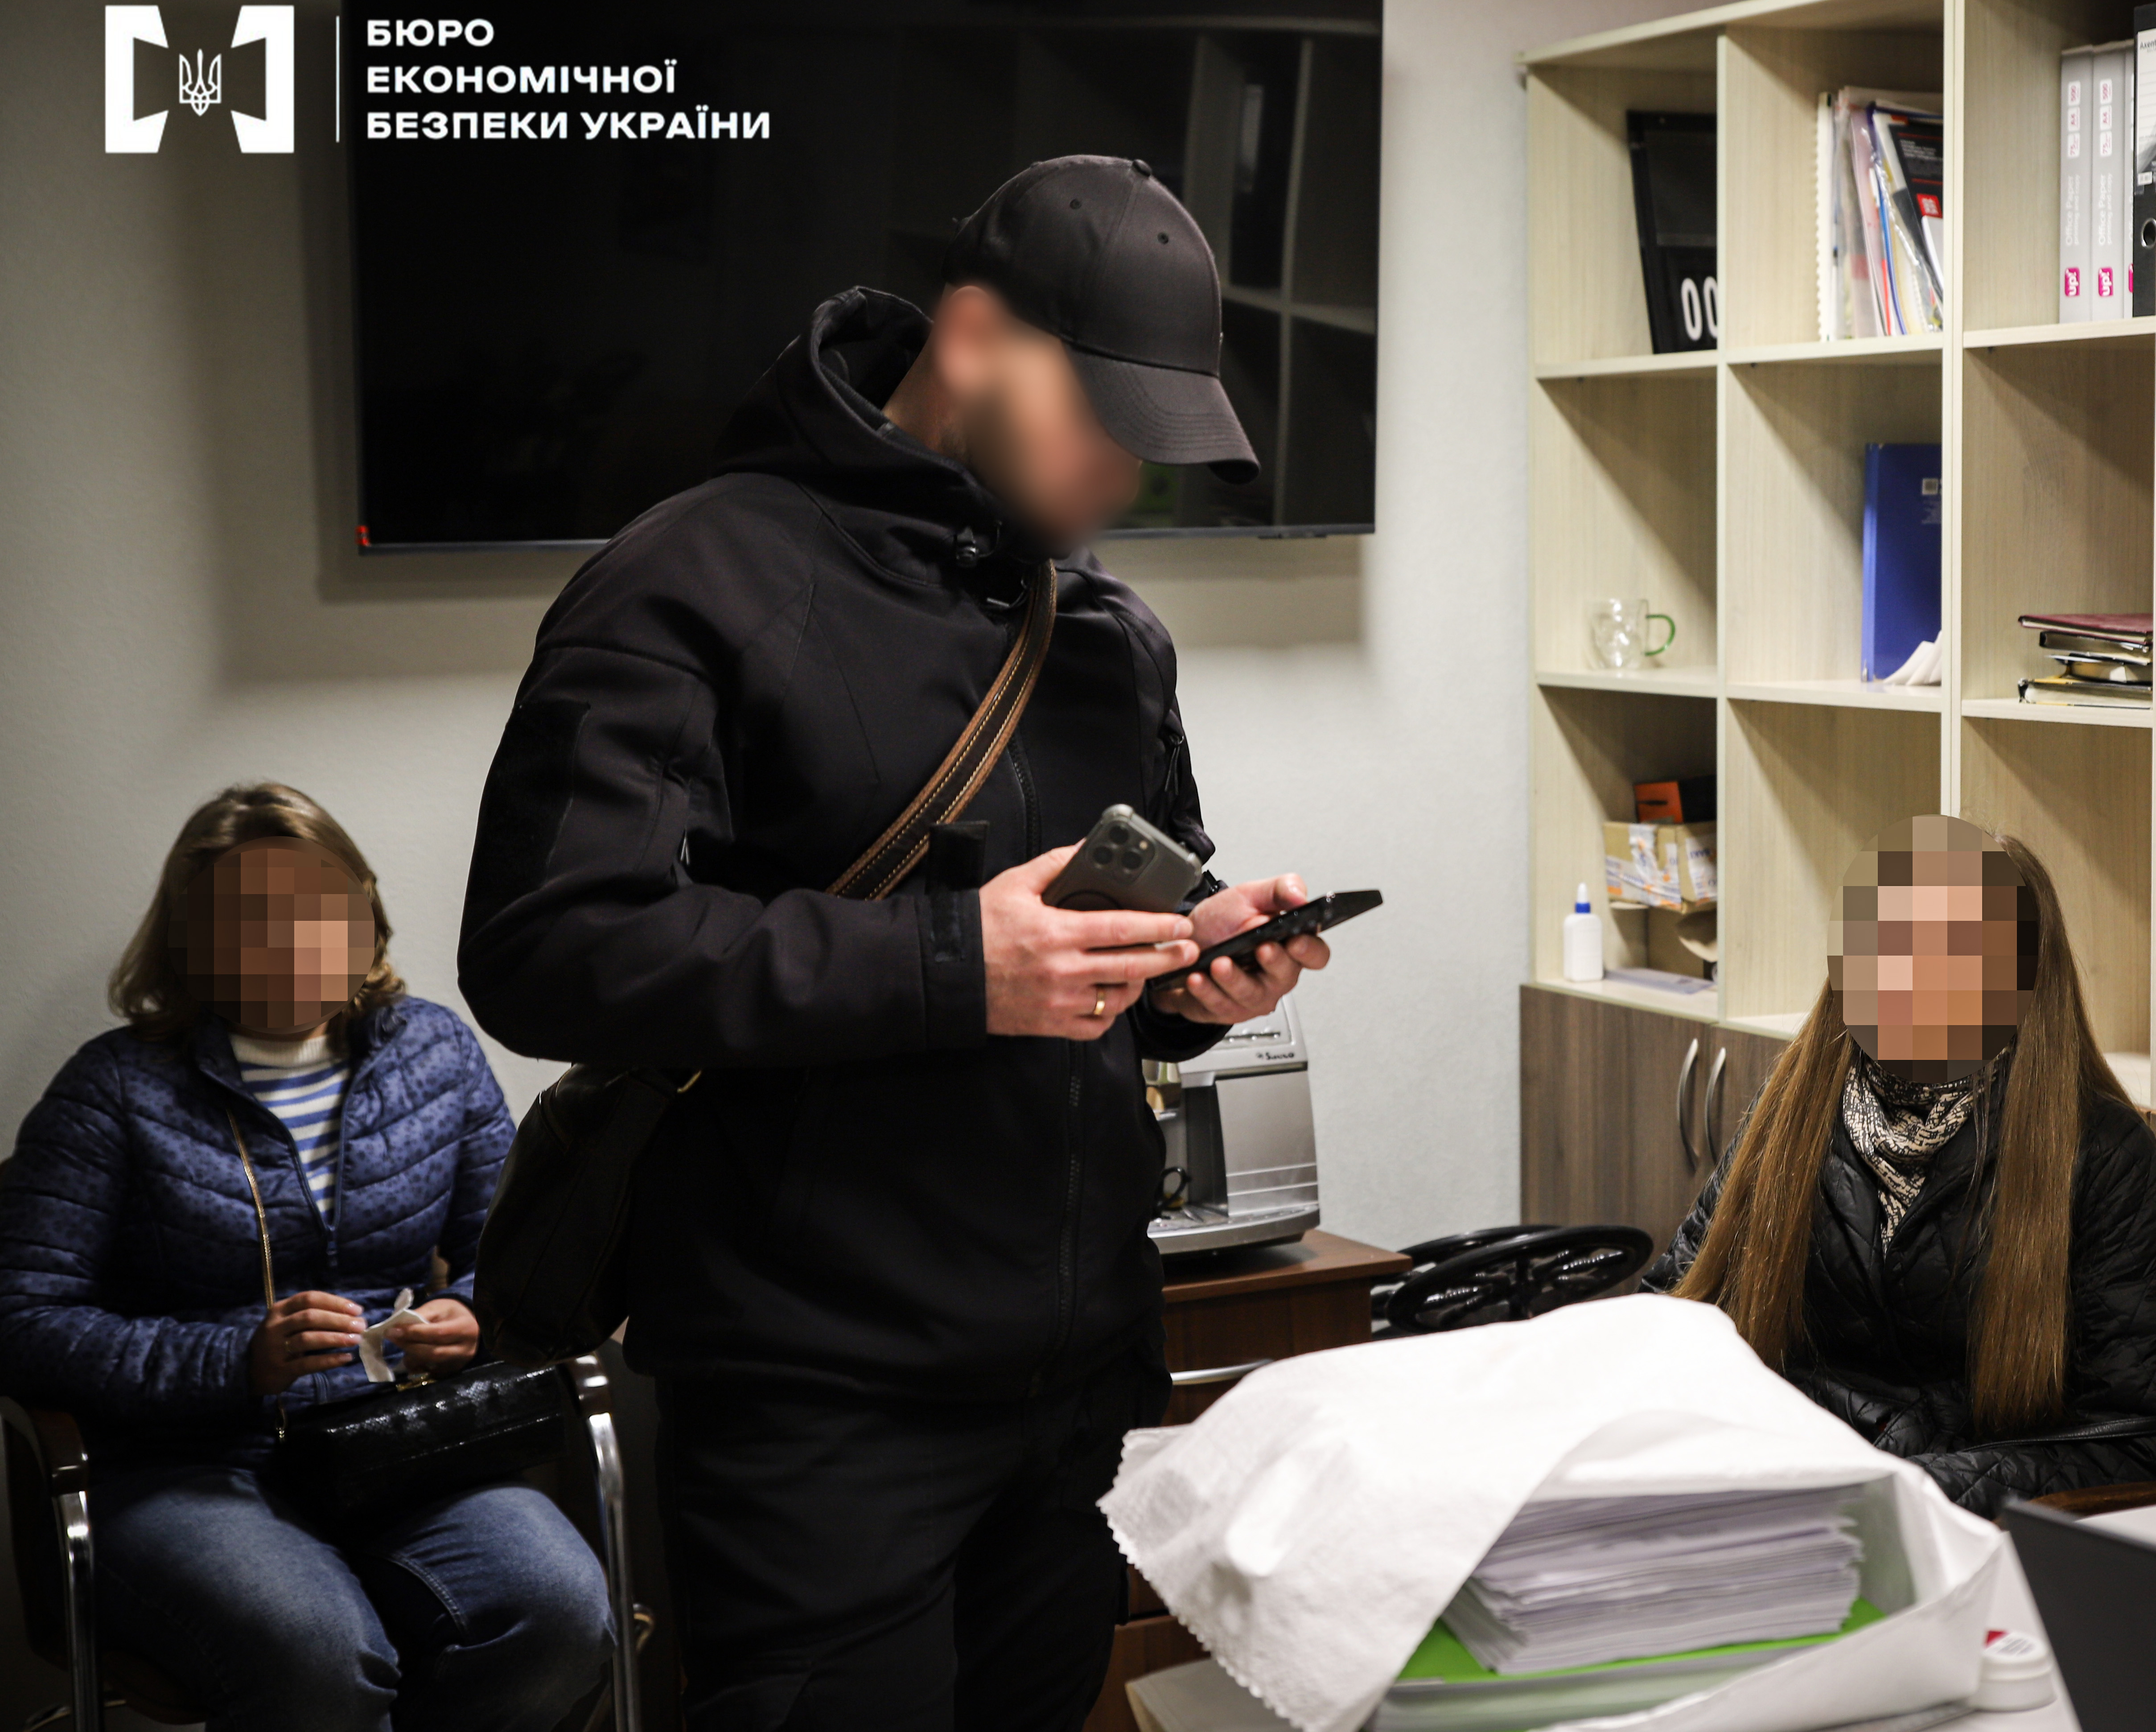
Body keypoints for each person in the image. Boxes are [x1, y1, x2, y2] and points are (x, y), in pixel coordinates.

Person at [458, 155, 1331, 1730]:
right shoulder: (685, 579)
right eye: (1108, 416)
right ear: (978, 336)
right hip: (818, 1424)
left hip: (1074, 1406)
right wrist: (951, 963)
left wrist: (1195, 979)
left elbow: (1105, 973)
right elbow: (544, 944)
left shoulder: (1112, 638)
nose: (1129, 472)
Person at [0, 782, 613, 1732]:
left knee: (558, 1612)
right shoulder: (114, 1089)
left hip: (399, 1444)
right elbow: (23, 1319)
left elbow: (514, 1256)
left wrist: (478, 1317)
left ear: (364, 909)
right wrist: (238, 1359)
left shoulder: (435, 1055)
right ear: (189, 939)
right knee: (318, 1653)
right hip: (184, 1468)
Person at [1646, 820, 2156, 1519]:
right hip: (1782, 1490)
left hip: (1965, 1533)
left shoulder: (2100, 1154)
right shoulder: (1794, 1106)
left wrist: (1917, 1488)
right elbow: (1679, 1317)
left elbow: (2145, 1446)